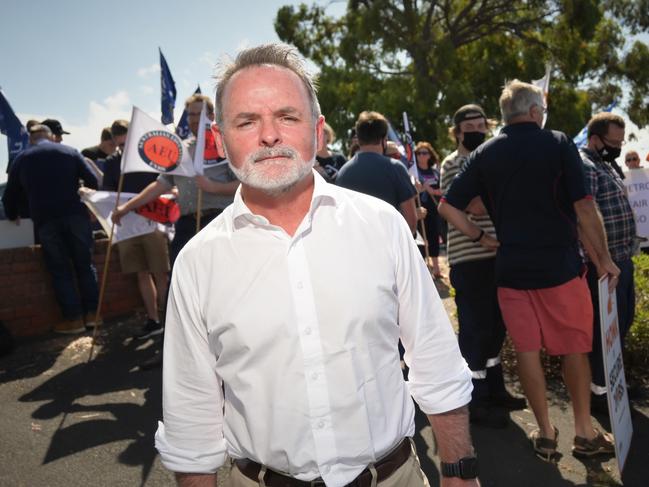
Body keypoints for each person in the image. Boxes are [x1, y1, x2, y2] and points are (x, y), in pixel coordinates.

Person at [155, 43, 479, 487]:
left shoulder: (381, 225)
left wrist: (460, 472)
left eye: (287, 117)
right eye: (247, 121)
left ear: (319, 131)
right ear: (220, 139)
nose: (269, 136)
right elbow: (191, 417)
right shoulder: (197, 262)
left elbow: (436, 363)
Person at [439, 80, 618, 461]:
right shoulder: (556, 142)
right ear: (535, 111)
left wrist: (482, 239)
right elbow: (584, 207)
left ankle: (547, 434)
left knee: (527, 351)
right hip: (559, 268)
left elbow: (447, 207)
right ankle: (584, 433)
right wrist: (603, 260)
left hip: (510, 272)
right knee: (574, 349)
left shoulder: (484, 153)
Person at [439, 104, 527, 428]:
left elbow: (485, 201)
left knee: (495, 329)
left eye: (481, 123)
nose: (477, 128)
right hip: (470, 258)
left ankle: (494, 390)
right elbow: (471, 206)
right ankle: (473, 400)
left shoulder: (490, 159)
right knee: (475, 331)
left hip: (498, 257)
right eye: (470, 124)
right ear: (458, 130)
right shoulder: (453, 163)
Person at [111, 94, 239, 267]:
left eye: (198, 114)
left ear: (211, 116)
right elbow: (160, 184)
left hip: (220, 220)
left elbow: (244, 185)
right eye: (190, 114)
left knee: (221, 276)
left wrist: (213, 187)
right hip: (187, 223)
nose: (194, 119)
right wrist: (125, 208)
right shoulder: (179, 149)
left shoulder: (226, 146)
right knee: (180, 278)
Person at [2, 126, 99, 334]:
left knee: (59, 269)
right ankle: (93, 315)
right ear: (52, 137)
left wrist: (12, 214)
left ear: (31, 139)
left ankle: (74, 320)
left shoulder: (22, 158)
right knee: (85, 264)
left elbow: (9, 194)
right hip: (76, 216)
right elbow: (93, 181)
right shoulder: (70, 152)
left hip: (45, 220)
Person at [580, 113, 637, 412]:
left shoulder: (608, 164)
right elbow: (585, 214)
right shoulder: (586, 165)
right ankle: (601, 392)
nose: (617, 147)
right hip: (604, 266)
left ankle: (615, 384)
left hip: (621, 260)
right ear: (595, 140)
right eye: (613, 143)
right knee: (605, 329)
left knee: (622, 322)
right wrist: (601, 260)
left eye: (620, 142)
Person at [102, 119, 170, 340]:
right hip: (128, 227)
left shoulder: (150, 157)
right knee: (141, 273)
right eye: (120, 146)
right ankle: (153, 320)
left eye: (126, 144)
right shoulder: (112, 163)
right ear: (114, 142)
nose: (123, 149)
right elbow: (107, 193)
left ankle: (169, 320)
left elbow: (165, 184)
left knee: (161, 272)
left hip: (154, 224)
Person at [336, 111, 418, 235]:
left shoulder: (343, 173)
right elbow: (411, 222)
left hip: (356, 248)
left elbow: (341, 220)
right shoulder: (395, 168)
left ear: (358, 139)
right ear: (384, 140)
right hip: (390, 247)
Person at [414, 141, 443, 277]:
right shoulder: (414, 172)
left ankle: (436, 268)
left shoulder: (436, 172)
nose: (421, 156)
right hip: (419, 208)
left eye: (424, 153)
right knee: (421, 238)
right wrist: (420, 189)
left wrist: (432, 190)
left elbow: (443, 189)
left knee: (433, 236)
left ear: (429, 155)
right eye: (418, 153)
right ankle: (425, 269)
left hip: (434, 208)